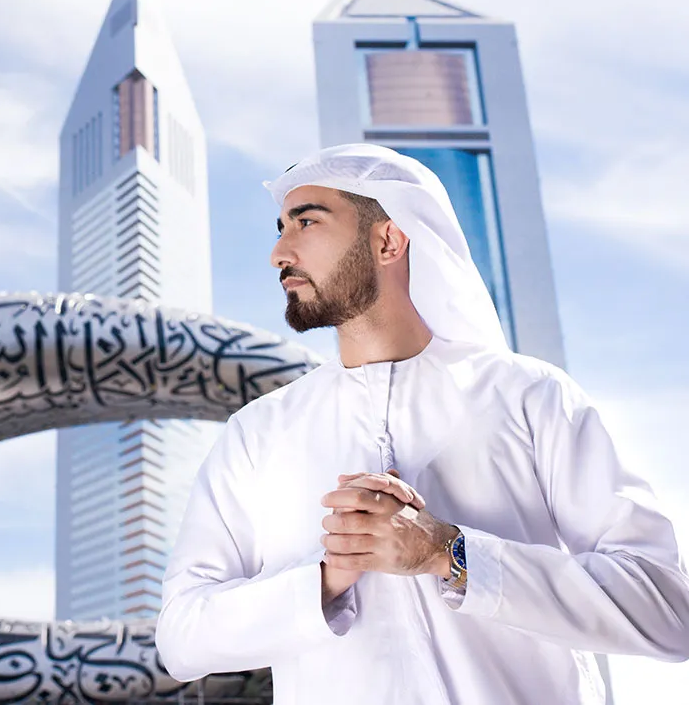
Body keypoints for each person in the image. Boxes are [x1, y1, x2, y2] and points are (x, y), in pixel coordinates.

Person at [154, 143, 689, 704]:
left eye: (307, 221)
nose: (278, 252)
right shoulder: (257, 434)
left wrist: (450, 554)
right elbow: (183, 638)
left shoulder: (529, 397)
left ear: (388, 239)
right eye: (280, 226)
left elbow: (664, 608)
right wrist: (327, 578)